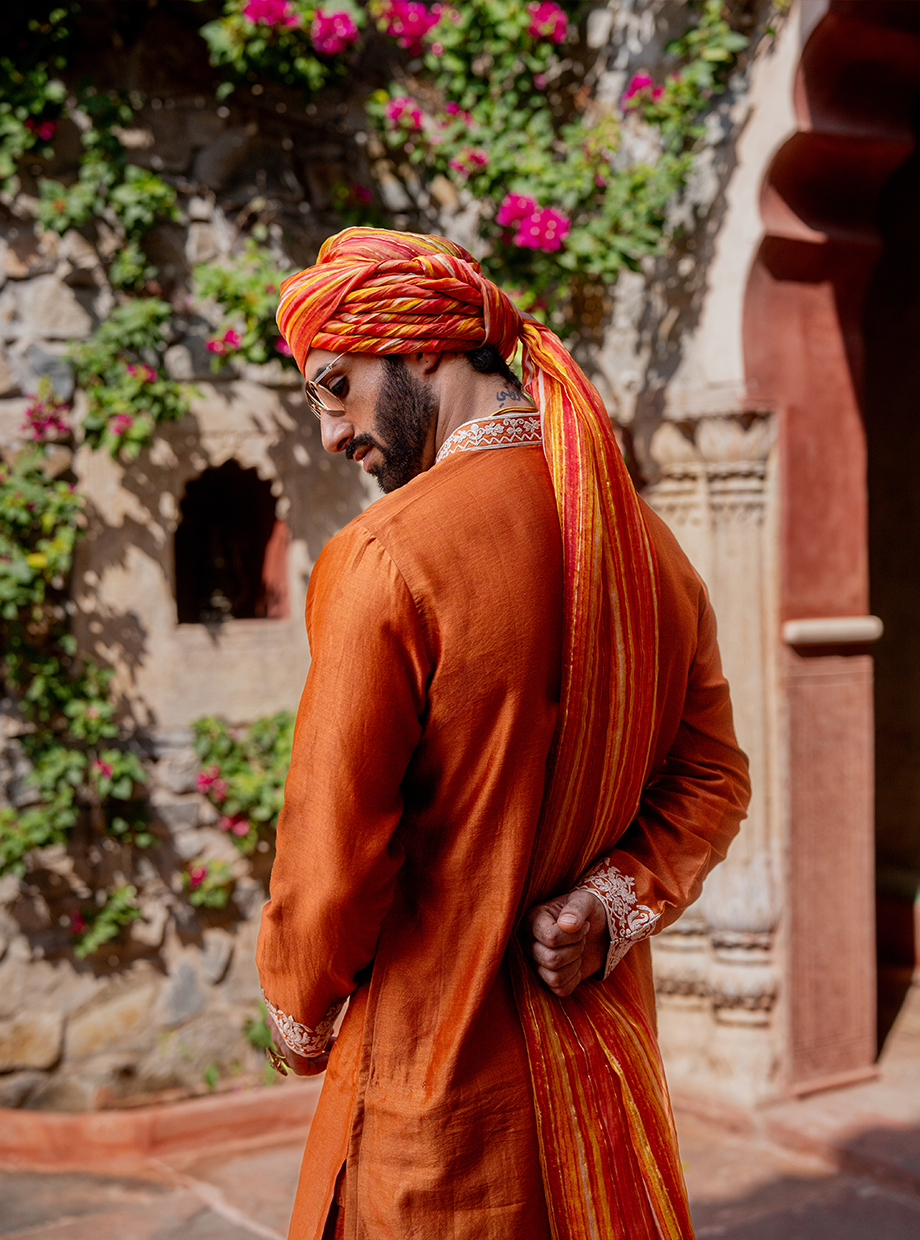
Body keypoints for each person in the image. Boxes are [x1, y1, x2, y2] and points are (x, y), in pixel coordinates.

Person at [256, 227, 750, 1240]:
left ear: (424, 348)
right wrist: (611, 904)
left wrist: (296, 1013)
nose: (329, 433)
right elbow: (711, 775)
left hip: (438, 1112)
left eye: (335, 387)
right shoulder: (644, 545)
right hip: (599, 1088)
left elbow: (330, 863)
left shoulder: (385, 558)